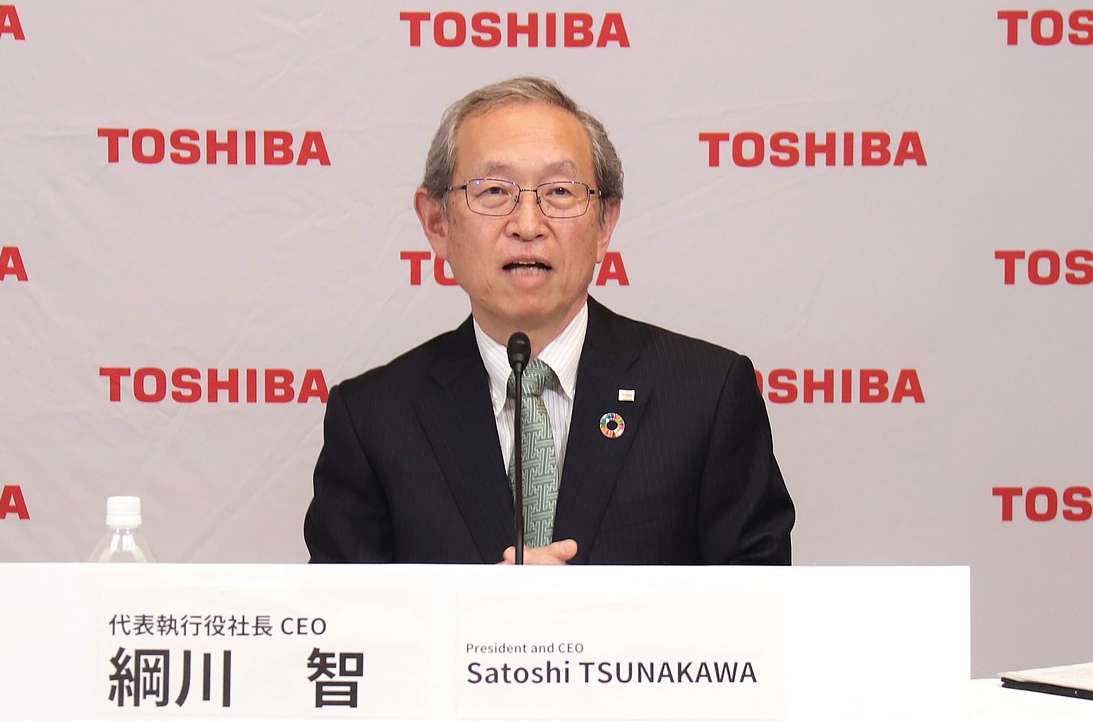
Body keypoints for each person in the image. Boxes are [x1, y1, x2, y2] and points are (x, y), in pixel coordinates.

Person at [304, 76, 794, 565]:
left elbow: (760, 614)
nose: (528, 225)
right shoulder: (374, 419)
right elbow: (347, 625)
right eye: (494, 191)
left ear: (604, 224)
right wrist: (478, 618)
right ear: (437, 223)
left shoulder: (705, 396)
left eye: (560, 192)